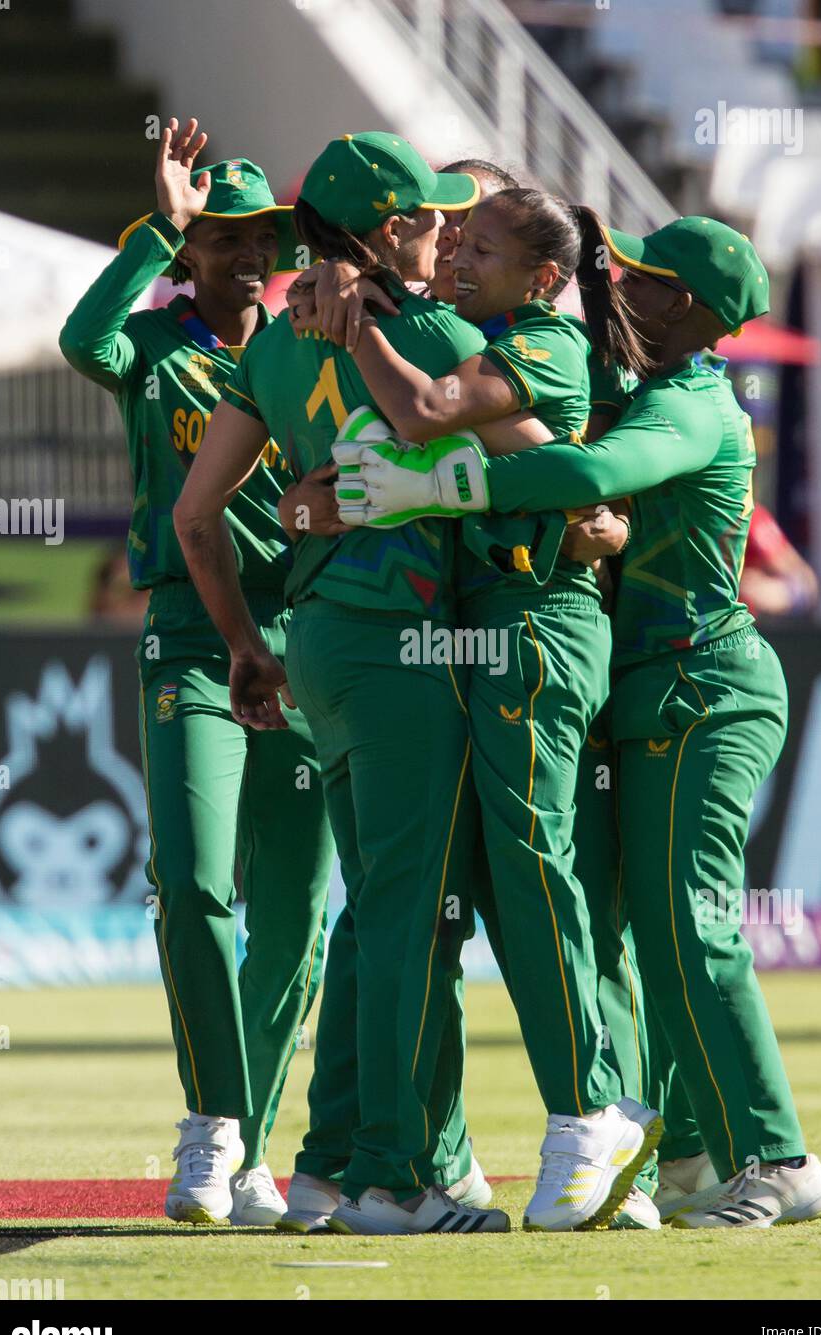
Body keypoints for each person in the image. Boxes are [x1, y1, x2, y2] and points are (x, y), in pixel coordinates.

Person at [333, 214, 821, 1229]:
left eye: (646, 284)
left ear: (693, 314)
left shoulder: (696, 403)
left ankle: (780, 1159)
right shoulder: (627, 385)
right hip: (643, 694)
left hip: (707, 686)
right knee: (637, 932)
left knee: (689, 925)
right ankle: (690, 1148)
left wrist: (431, 485)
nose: (618, 290)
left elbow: (582, 479)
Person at [174, 131, 532, 1236]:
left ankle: (327, 1164)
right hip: (401, 649)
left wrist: (244, 643)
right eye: (429, 220)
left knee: (373, 905)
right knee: (407, 914)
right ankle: (392, 1178)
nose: (447, 235)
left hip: (317, 643)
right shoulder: (433, 334)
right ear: (386, 232)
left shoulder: (278, 349)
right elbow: (537, 442)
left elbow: (196, 518)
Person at [317, 185, 663, 1232]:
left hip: (530, 623)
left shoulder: (542, 346)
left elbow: (429, 419)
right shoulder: (487, 335)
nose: (456, 257)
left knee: (532, 858)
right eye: (450, 239)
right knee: (472, 887)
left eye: (479, 245)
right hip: (476, 628)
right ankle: (408, 1159)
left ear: (545, 276)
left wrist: (355, 319)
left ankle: (594, 1117)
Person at [60, 118, 336, 1227]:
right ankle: (211, 1126)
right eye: (222, 239)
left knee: (296, 913)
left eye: (259, 236)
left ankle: (249, 1149)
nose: (245, 256)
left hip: (312, 638)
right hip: (193, 640)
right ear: (192, 250)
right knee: (193, 884)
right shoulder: (156, 348)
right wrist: (153, 229)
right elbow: (86, 339)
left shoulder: (309, 350)